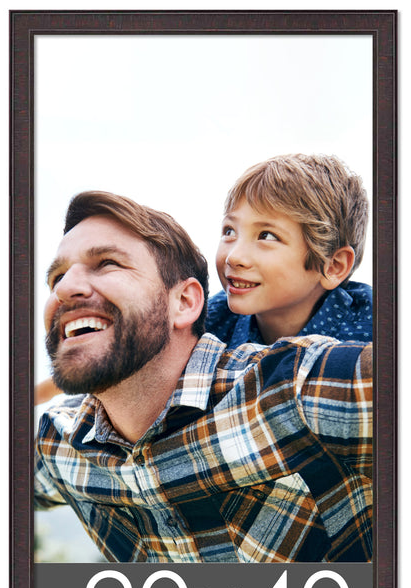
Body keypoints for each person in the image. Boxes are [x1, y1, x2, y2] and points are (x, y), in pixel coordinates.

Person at [35, 190, 372, 563]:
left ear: (184, 303)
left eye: (108, 263)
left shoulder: (293, 388)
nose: (64, 288)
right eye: (58, 276)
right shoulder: (59, 442)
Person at [206, 153, 372, 347]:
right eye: (230, 231)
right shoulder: (205, 324)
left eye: (266, 235)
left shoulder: (377, 335)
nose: (233, 257)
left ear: (333, 266)